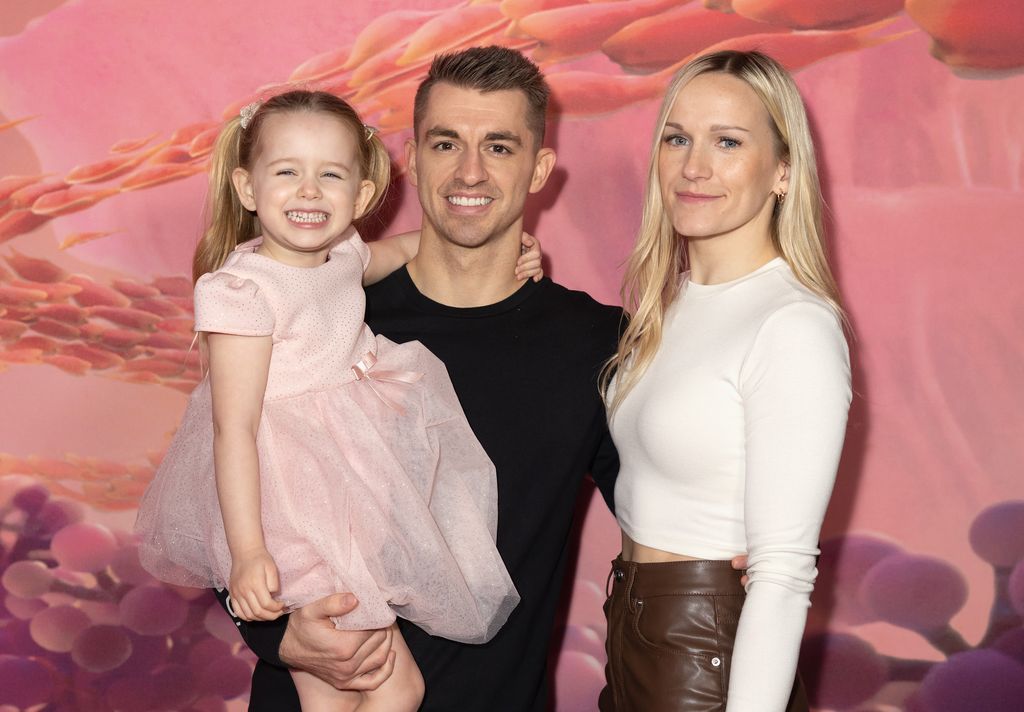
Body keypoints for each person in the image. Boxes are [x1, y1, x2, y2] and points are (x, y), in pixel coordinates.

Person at [221, 47, 625, 712]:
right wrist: (279, 635)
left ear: (539, 170)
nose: (469, 170)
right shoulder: (325, 313)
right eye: (446, 143)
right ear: (415, 158)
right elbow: (223, 484)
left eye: (498, 146)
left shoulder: (596, 343)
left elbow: (663, 513)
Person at [134, 89, 542, 711]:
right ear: (246, 188)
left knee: (337, 688)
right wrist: (248, 554)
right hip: (293, 507)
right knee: (391, 684)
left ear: (360, 194)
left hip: (353, 498)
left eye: (330, 175)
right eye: (287, 171)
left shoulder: (342, 256)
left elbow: (406, 251)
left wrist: (511, 250)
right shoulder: (241, 291)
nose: (308, 190)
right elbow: (234, 430)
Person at [599, 50, 852, 712]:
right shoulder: (671, 304)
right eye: (677, 137)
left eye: (728, 142)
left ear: (783, 171)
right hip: (636, 638)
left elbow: (783, 574)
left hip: (705, 656)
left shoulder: (792, 325)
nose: (694, 166)